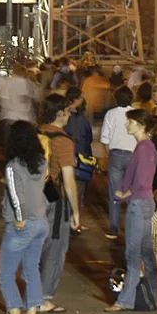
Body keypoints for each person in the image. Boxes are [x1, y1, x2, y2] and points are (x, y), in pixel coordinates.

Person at [106, 109, 157, 313]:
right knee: (145, 253)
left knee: (133, 254)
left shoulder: (144, 149)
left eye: (130, 122)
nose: (126, 125)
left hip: (139, 204)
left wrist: (123, 194)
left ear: (140, 125)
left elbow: (142, 181)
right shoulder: (145, 147)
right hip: (144, 202)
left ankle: (125, 300)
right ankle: (151, 297)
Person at [0, 120, 48, 314]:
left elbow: (16, 194)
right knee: (31, 270)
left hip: (23, 223)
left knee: (6, 274)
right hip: (41, 221)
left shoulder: (12, 166)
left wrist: (19, 217)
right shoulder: (41, 162)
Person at [39, 93, 81, 313]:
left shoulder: (36, 132)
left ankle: (31, 292)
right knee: (55, 247)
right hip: (54, 198)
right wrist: (76, 211)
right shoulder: (63, 141)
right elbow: (68, 178)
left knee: (35, 247)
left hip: (33, 195)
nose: (69, 113)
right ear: (59, 113)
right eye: (66, 110)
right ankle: (44, 297)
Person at [100, 85, 136, 239]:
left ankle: (114, 229)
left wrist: (110, 154)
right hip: (133, 156)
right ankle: (132, 228)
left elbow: (104, 138)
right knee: (132, 193)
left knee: (115, 194)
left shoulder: (111, 114)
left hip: (115, 155)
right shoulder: (136, 114)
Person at [63, 87, 95, 220]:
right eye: (81, 97)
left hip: (65, 156)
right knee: (77, 191)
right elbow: (88, 138)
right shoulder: (80, 119)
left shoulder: (63, 114)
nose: (84, 100)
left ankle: (64, 218)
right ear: (75, 100)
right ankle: (74, 220)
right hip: (79, 158)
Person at [0, 59, 36, 143]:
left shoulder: (6, 83)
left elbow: (2, 100)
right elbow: (33, 101)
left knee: (8, 145)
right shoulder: (28, 84)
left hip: (8, 117)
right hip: (24, 119)